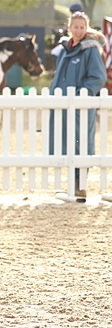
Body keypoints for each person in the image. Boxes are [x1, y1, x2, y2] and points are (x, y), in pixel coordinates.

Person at [49, 11, 107, 202]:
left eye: (82, 27)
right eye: (76, 27)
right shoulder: (64, 49)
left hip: (81, 107)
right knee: (65, 142)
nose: (79, 30)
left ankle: (81, 185)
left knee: (81, 143)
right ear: (69, 28)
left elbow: (98, 77)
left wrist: (82, 93)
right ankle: (72, 186)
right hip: (62, 106)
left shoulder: (91, 49)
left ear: (86, 28)